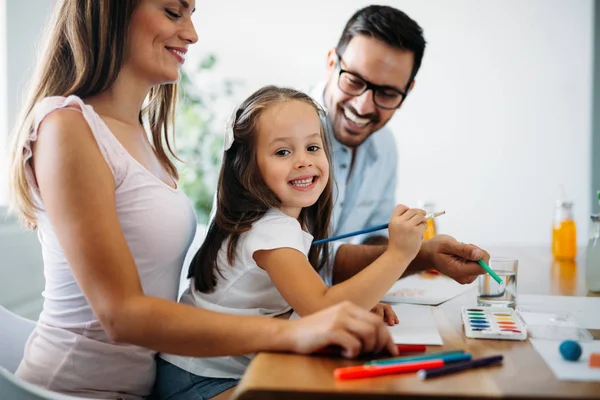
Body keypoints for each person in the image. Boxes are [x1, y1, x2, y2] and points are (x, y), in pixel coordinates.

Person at [6, 1, 399, 399]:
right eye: (174, 12)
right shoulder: (66, 127)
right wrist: (295, 332)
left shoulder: (139, 132)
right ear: (114, 11)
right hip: (73, 391)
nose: (192, 34)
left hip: (142, 385)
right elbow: (120, 315)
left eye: (192, 15)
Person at [154, 85, 426, 399]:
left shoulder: (283, 220)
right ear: (248, 168)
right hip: (197, 379)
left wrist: (357, 302)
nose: (303, 161)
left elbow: (305, 301)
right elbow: (319, 308)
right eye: (283, 152)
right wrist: (400, 254)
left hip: (215, 370)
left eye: (313, 148)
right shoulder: (271, 230)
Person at [307, 5, 490, 285]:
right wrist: (420, 256)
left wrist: (383, 268)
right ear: (332, 63)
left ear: (407, 91)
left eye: (388, 93)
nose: (363, 106)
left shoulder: (384, 144)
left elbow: (372, 237)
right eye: (354, 81)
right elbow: (310, 260)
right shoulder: (285, 135)